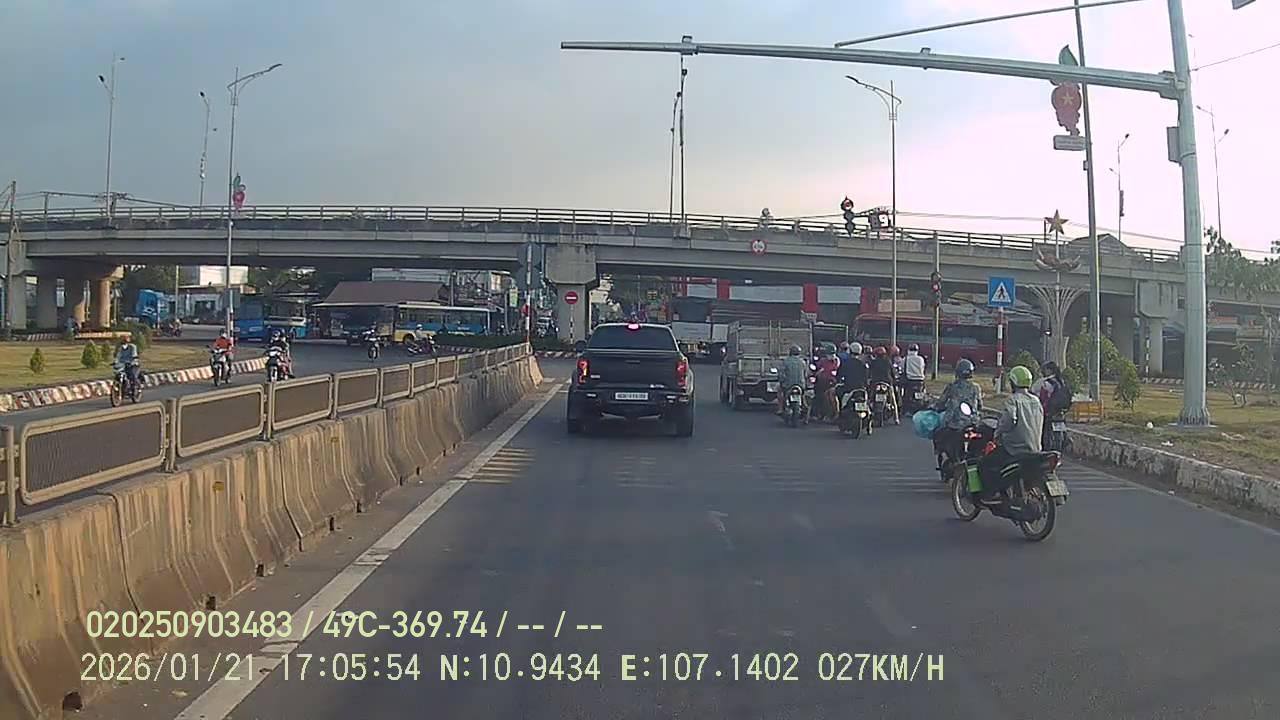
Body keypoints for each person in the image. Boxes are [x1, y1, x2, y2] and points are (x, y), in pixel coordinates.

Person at [978, 365, 1044, 501]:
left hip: (1014, 448)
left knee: (986, 463)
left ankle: (991, 494)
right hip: (1035, 448)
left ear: (1013, 382)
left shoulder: (1013, 400)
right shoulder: (1036, 400)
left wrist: (998, 433)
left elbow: (1009, 421)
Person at [931, 358, 983, 466]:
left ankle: (942, 453)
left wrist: (935, 407)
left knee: (938, 433)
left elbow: (941, 402)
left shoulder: (952, 387)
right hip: (973, 423)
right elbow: (980, 405)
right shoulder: (976, 388)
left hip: (954, 424)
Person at [868, 345, 899, 422]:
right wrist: (894, 380)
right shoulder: (888, 361)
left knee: (870, 399)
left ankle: (869, 415)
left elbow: (869, 373)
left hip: (876, 383)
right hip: (887, 383)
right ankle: (896, 418)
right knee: (893, 400)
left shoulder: (874, 362)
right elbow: (892, 372)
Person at [777, 344, 810, 416]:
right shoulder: (803, 362)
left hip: (788, 385)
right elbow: (806, 374)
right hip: (801, 385)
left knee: (779, 390)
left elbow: (781, 373)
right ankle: (805, 408)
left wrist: (781, 380)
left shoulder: (786, 361)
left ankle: (780, 408)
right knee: (804, 396)